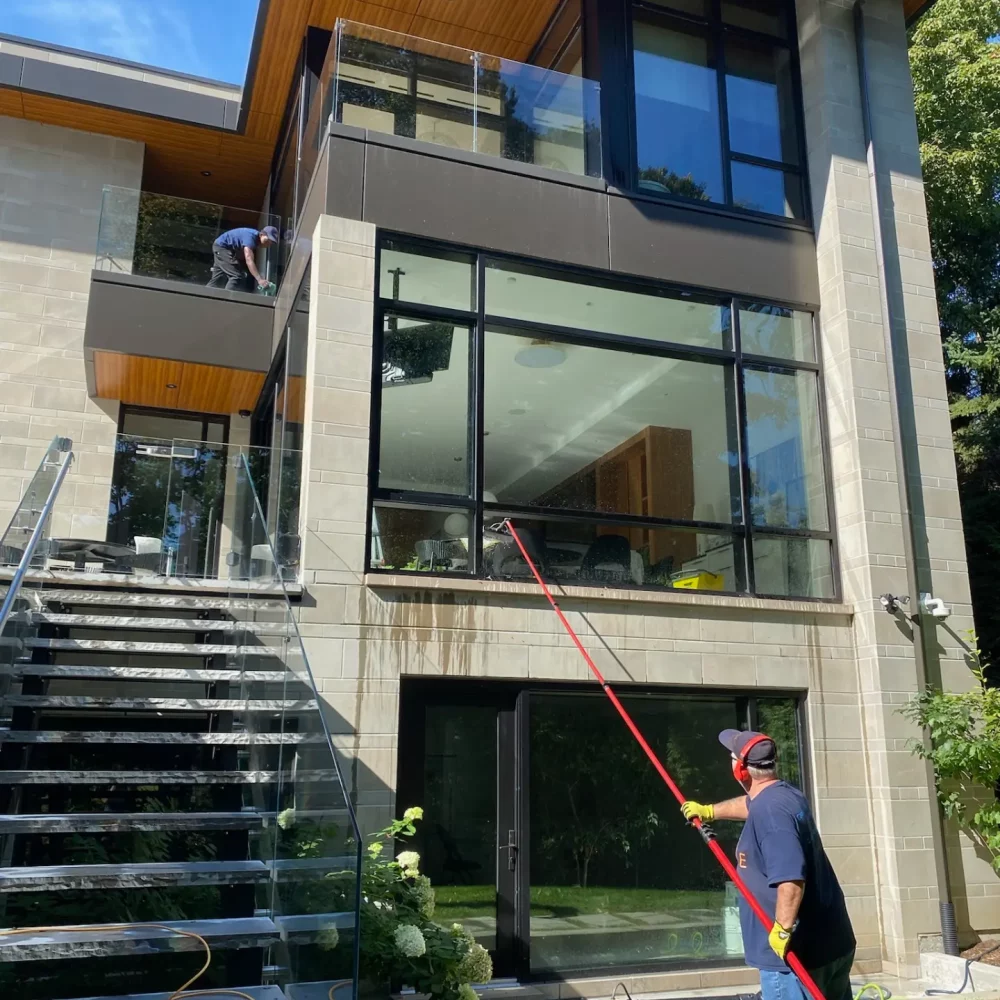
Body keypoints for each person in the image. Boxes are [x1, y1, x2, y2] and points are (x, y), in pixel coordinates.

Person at [681, 729, 855, 1000]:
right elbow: (752, 804)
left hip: (796, 960)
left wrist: (782, 930)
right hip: (831, 943)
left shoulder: (771, 813)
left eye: (731, 757)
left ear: (741, 770)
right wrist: (709, 811)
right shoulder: (784, 795)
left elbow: (791, 879)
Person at [207, 225, 278, 291]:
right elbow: (249, 259)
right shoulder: (251, 237)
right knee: (236, 276)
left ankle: (205, 294)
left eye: (271, 242)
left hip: (222, 247)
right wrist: (259, 280)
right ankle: (226, 301)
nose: (268, 244)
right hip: (222, 247)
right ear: (262, 234)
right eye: (268, 240)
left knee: (218, 278)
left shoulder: (253, 238)